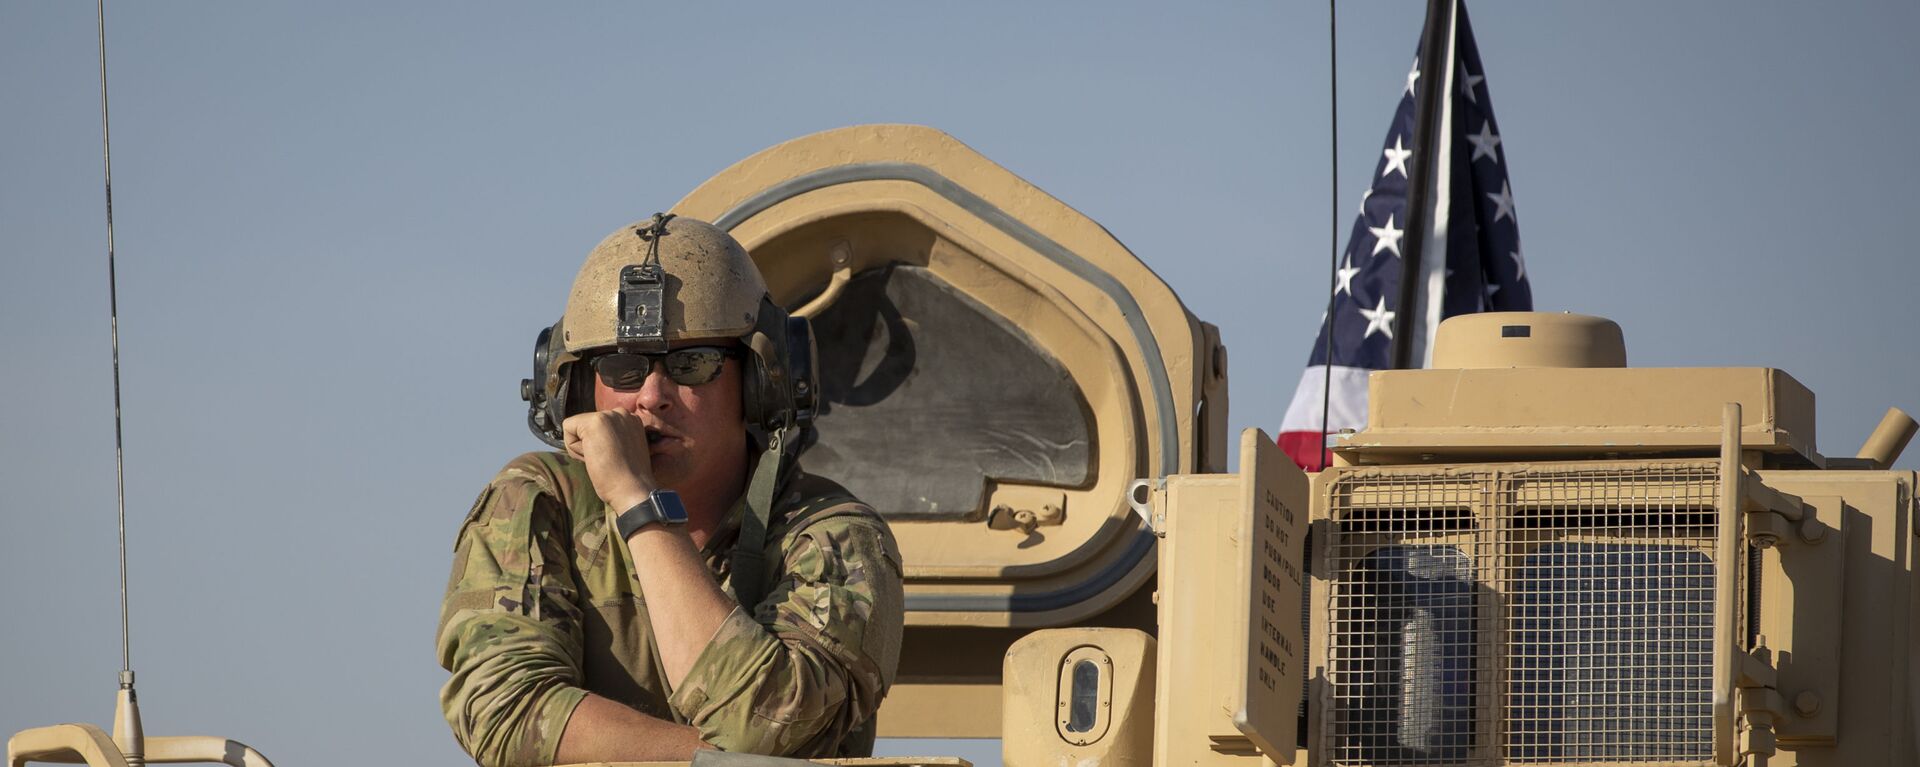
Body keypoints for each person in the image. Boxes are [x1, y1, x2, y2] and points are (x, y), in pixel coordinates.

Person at [436, 214, 905, 767]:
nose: (652, 397)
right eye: (622, 368)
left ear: (757, 383)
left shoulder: (837, 537)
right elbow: (507, 715)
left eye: (693, 363)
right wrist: (724, 760)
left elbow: (765, 723)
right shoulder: (541, 500)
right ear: (583, 389)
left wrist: (639, 504)